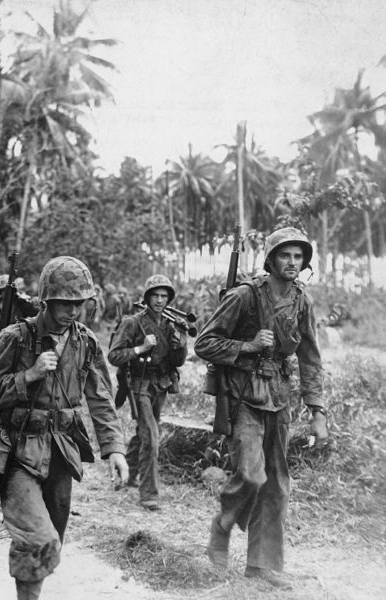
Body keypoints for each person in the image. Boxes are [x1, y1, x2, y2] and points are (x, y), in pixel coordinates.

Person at [0, 256, 128, 600]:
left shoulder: (85, 342)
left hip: (61, 453)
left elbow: (101, 398)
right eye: (65, 303)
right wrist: (28, 376)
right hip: (18, 452)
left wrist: (114, 449)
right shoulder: (17, 337)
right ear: (46, 300)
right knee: (37, 540)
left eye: (80, 303)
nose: (73, 311)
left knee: (52, 541)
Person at [194, 227, 328, 589]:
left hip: (279, 398)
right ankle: (222, 527)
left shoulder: (302, 301)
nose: (292, 262)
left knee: (277, 485)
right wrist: (249, 346)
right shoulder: (245, 296)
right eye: (286, 255)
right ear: (270, 260)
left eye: (298, 256)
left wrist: (317, 411)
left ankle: (262, 565)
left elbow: (310, 358)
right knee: (252, 474)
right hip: (244, 397)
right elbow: (204, 343)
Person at [107, 274, 187, 511]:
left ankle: (129, 473)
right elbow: (113, 355)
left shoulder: (170, 324)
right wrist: (141, 348)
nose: (160, 301)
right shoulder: (133, 322)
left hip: (160, 384)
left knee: (144, 433)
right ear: (147, 297)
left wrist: (180, 342)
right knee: (151, 437)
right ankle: (149, 494)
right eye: (155, 296)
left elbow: (178, 361)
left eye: (164, 296)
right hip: (139, 384)